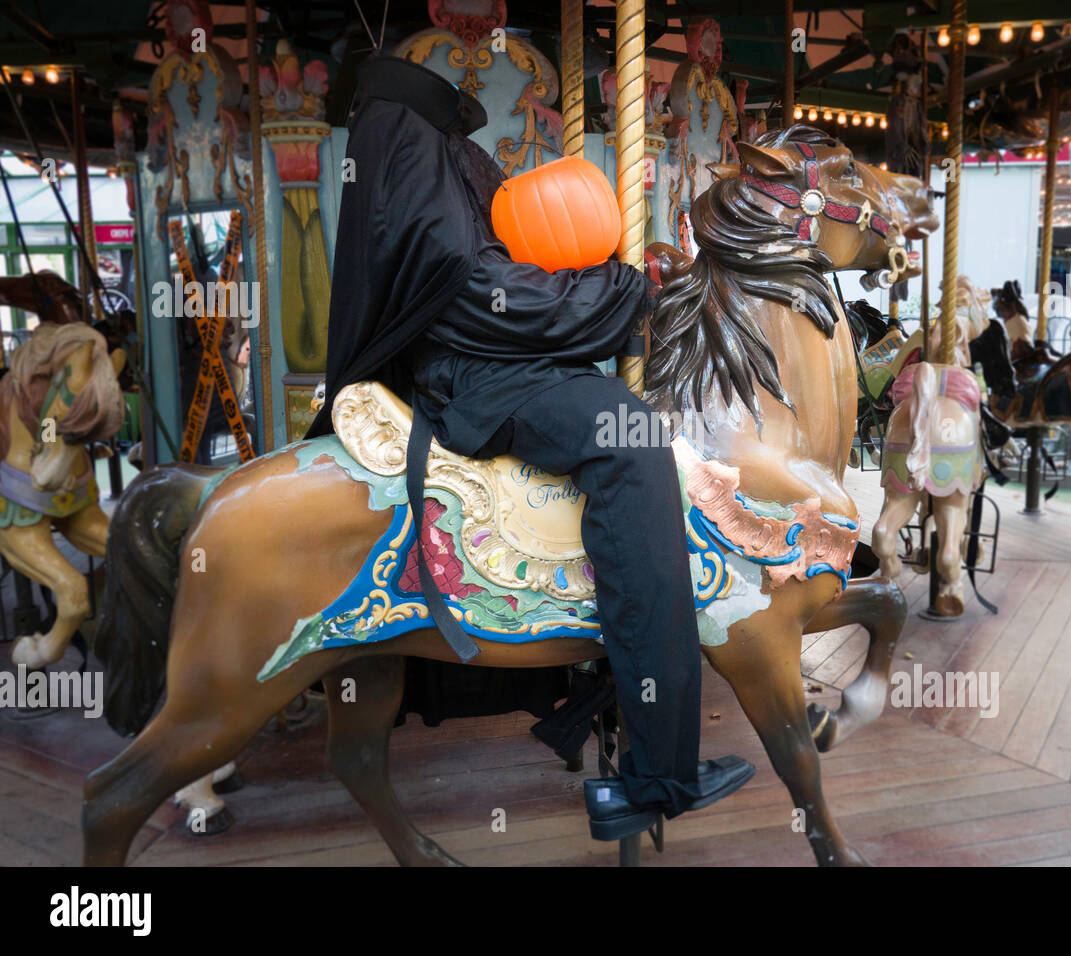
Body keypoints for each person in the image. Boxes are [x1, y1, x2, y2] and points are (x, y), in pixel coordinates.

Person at [306, 54, 753, 840]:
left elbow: (495, 275)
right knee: (636, 446)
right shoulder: (410, 144)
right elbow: (483, 294)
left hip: (494, 367)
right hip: (485, 379)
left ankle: (606, 687)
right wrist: (618, 291)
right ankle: (654, 776)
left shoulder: (420, 147)